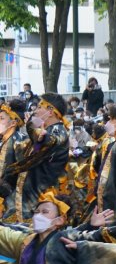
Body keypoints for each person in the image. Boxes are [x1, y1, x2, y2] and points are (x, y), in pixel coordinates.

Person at [4, 93, 70, 221]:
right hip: (28, 194)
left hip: (41, 197)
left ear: (50, 111)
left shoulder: (58, 132)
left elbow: (44, 146)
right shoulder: (46, 129)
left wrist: (31, 126)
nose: (36, 111)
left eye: (40, 107)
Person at [0, 99, 27, 219]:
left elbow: (24, 173)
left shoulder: (20, 140)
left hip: (11, 198)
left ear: (13, 122)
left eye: (1, 118)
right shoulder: (3, 140)